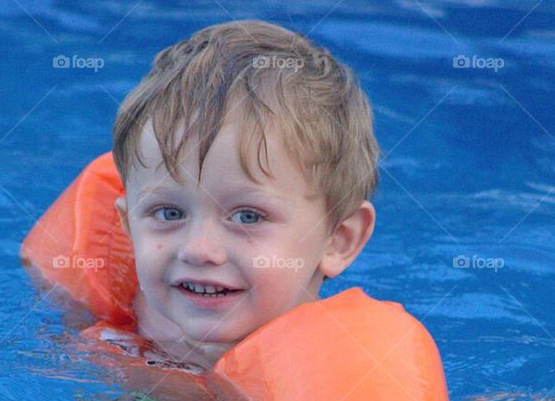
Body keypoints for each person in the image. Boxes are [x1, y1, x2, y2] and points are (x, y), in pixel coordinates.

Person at [106, 19, 379, 369]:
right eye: (169, 213)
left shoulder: (353, 381)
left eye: (248, 216)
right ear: (129, 226)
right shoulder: (133, 331)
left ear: (338, 240)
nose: (198, 250)